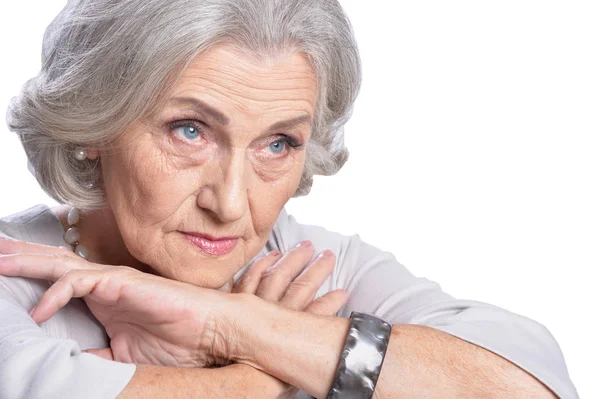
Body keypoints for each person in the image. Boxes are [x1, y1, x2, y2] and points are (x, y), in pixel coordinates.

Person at [0, 0, 579, 398]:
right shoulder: (13, 273)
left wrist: (234, 326)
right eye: (190, 130)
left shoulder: (310, 268)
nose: (229, 204)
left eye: (277, 143)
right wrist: (255, 375)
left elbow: (527, 385)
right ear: (96, 124)